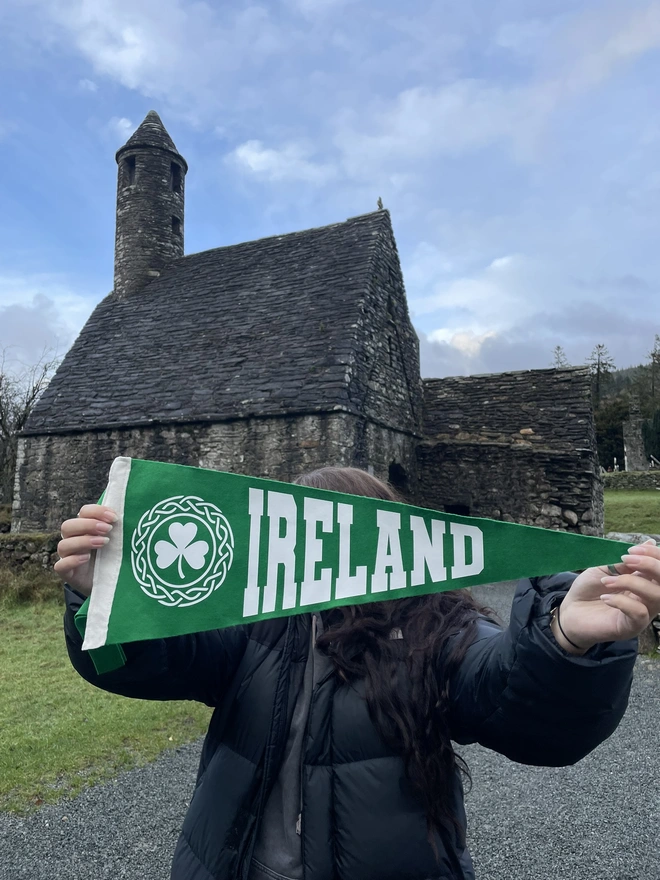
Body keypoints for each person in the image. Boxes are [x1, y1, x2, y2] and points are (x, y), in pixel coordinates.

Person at [57, 467, 658, 880]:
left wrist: (562, 638)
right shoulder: (251, 624)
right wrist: (103, 598)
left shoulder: (438, 627)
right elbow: (162, 660)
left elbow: (508, 692)